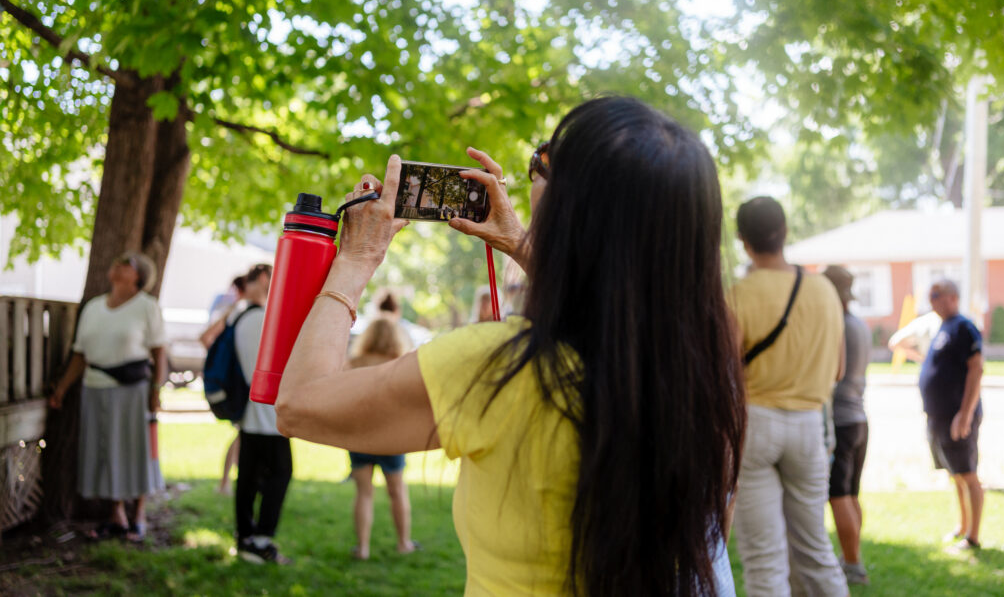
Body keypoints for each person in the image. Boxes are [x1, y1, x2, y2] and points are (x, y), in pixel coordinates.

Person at [275, 96, 745, 596]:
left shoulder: (500, 368)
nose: (532, 174)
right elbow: (619, 304)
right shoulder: (708, 377)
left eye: (543, 165)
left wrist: (357, 257)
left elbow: (299, 405)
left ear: (570, 218)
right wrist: (521, 242)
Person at [728, 197, 849, 597]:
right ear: (785, 232)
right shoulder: (824, 291)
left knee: (765, 561)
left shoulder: (738, 296)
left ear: (743, 240)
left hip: (756, 424)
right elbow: (838, 370)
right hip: (810, 426)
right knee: (815, 549)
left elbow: (724, 374)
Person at [48, 251, 167, 542]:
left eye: (126, 264)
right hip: (95, 386)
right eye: (117, 262)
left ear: (138, 276)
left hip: (133, 390)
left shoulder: (147, 307)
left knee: (136, 448)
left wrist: (156, 389)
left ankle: (139, 514)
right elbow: (80, 354)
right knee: (105, 449)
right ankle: (116, 514)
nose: (117, 266)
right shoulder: (93, 307)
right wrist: (62, 388)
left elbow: (159, 351)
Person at [912, 280, 985, 550]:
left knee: (968, 474)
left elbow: (976, 369)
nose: (932, 301)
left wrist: (964, 414)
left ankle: (973, 536)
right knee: (956, 475)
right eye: (931, 297)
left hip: (957, 416)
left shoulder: (963, 327)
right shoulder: (943, 327)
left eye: (937, 295)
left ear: (953, 297)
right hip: (938, 417)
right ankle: (962, 526)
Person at [233, 263, 293, 565]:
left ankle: (246, 538)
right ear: (262, 278)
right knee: (279, 475)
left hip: (250, 414)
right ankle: (261, 541)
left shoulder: (240, 317)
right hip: (269, 416)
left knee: (247, 478)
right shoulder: (263, 319)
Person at [346, 317, 419, 560]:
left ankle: (362, 548)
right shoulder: (399, 363)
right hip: (391, 437)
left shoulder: (354, 363)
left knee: (363, 493)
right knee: (397, 491)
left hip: (360, 435)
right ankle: (403, 543)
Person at [822, 265, 871, 586]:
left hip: (841, 421)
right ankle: (851, 557)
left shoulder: (838, 325)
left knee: (839, 495)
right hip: (858, 419)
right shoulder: (859, 324)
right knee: (850, 494)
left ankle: (853, 566)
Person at [199, 274, 247, 495]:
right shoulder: (236, 311)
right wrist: (223, 361)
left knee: (242, 435)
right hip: (236, 383)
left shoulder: (239, 310)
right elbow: (206, 337)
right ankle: (225, 482)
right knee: (242, 434)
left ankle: (227, 481)